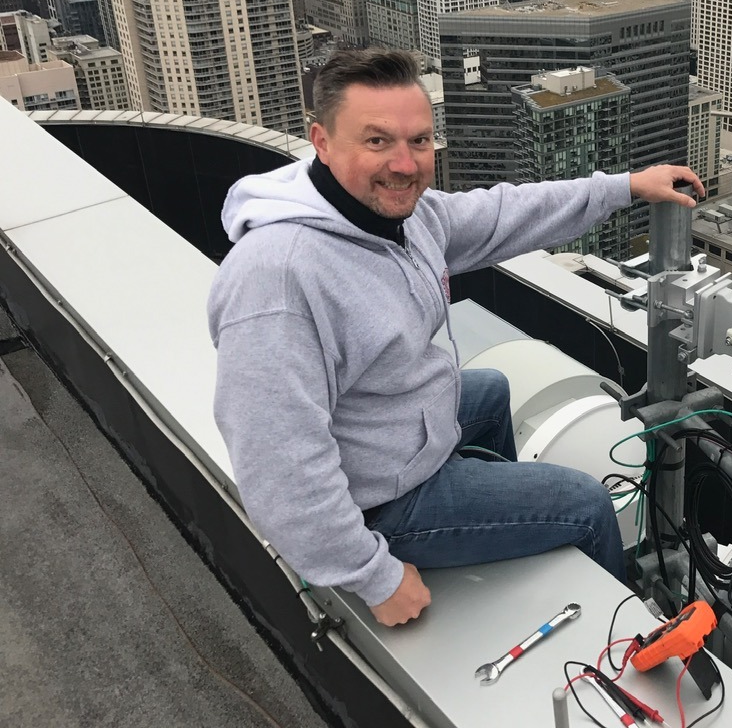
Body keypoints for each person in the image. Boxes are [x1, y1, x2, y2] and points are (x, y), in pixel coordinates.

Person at [208, 49, 703, 627]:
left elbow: (503, 214)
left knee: (489, 390)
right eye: (377, 142)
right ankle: (621, 636)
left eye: (418, 142)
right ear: (321, 141)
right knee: (588, 505)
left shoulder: (396, 218)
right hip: (376, 503)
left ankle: (508, 529)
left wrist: (625, 186)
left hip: (388, 440)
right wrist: (375, 575)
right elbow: (277, 468)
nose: (404, 163)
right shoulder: (279, 280)